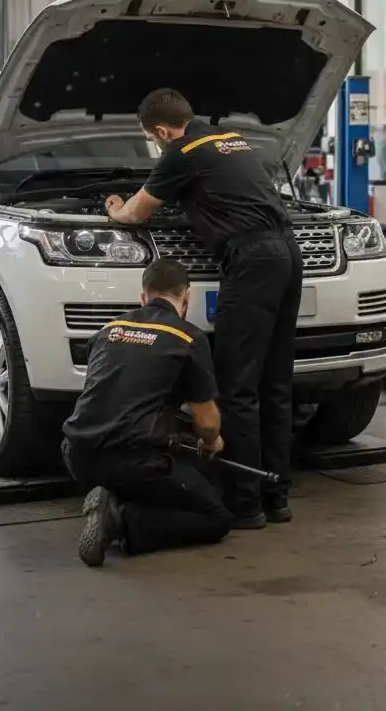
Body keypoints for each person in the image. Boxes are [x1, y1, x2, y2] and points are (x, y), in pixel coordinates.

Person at [104, 88, 303, 530]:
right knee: (275, 383)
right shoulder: (228, 138)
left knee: (238, 385)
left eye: (154, 140)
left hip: (251, 260)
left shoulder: (180, 151)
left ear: (161, 131)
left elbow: (137, 212)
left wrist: (115, 209)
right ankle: (278, 496)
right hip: (289, 255)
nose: (157, 146)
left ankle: (245, 505)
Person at [61, 258, 233, 567]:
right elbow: (207, 424)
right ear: (187, 296)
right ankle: (120, 519)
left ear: (143, 297)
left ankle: (109, 497)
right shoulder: (189, 338)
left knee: (156, 460)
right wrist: (211, 442)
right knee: (215, 516)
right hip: (134, 462)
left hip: (77, 455)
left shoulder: (108, 330)